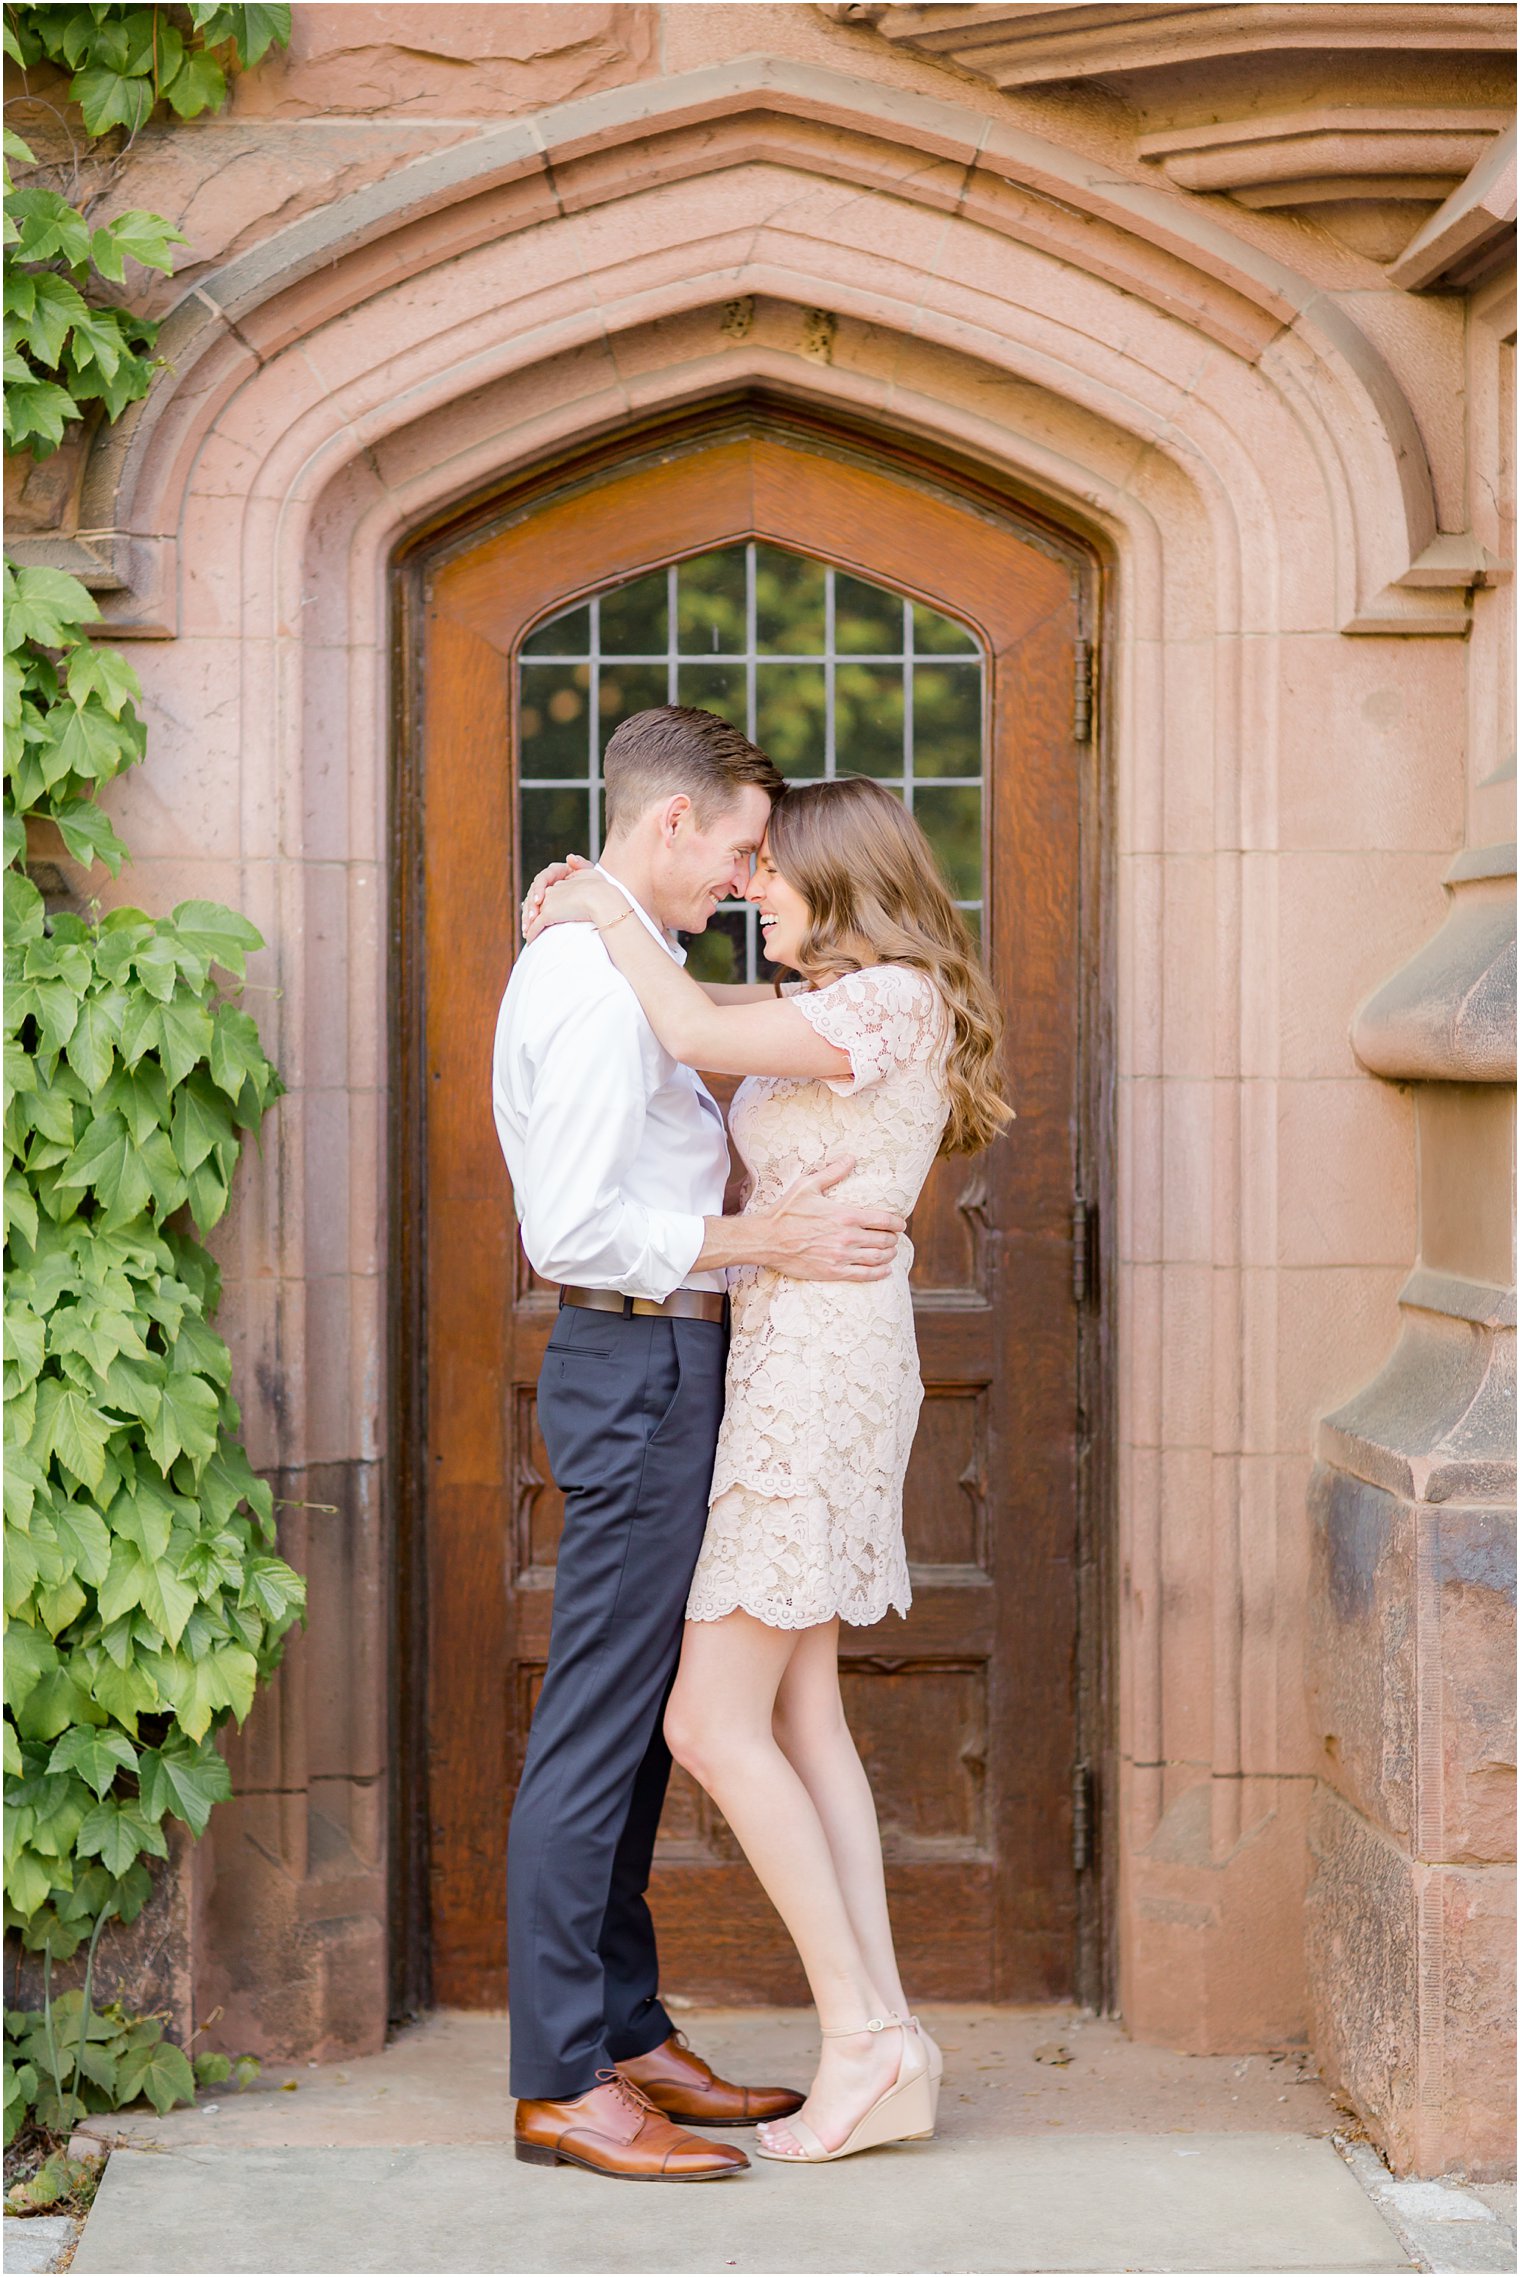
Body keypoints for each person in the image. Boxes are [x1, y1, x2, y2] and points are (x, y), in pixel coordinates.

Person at [527, 772, 1012, 2165]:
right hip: (796, 1355)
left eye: (771, 872)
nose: (752, 890)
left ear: (843, 877)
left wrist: (597, 906)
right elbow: (686, 1075)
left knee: (708, 1724)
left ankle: (862, 2035)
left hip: (812, 1378)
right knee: (801, 1715)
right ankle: (889, 2038)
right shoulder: (850, 1007)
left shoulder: (887, 998)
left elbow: (683, 1024)